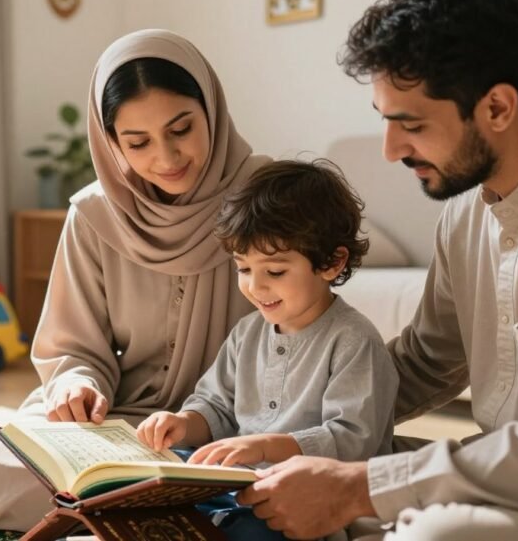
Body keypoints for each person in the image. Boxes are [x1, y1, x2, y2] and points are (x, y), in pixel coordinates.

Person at [236, 0, 518, 540]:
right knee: (279, 483)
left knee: (432, 532)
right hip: (510, 474)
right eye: (385, 122)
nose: (390, 150)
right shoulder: (467, 210)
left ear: (498, 107)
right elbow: (425, 361)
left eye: (410, 124)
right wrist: (285, 433)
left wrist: (354, 487)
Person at [0, 29, 271, 532]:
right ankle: (158, 515)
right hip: (119, 427)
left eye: (181, 129)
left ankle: (130, 514)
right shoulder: (94, 215)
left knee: (272, 487)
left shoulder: (267, 198)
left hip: (231, 426)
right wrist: (77, 384)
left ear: (211, 110)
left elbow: (301, 329)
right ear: (111, 143)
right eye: (138, 142)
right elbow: (72, 345)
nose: (167, 158)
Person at [136, 159, 398, 541]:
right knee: (151, 481)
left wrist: (264, 446)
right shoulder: (247, 332)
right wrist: (182, 423)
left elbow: (351, 440)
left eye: (274, 272)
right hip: (236, 484)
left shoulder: (354, 341)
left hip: (302, 500)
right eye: (244, 269)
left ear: (331, 262)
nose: (255, 287)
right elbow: (216, 406)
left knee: (253, 530)